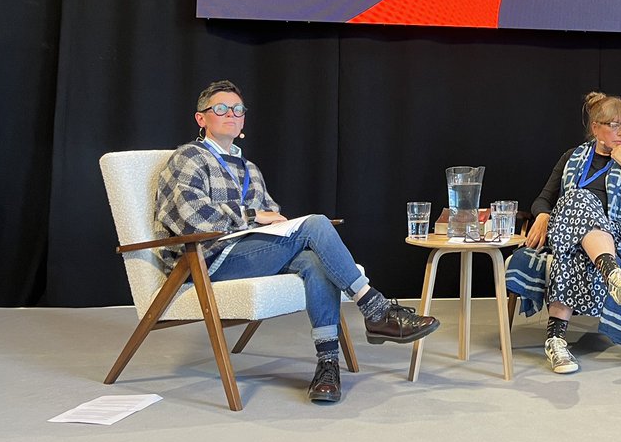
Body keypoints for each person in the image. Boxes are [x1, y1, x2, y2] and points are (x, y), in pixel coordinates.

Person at [153, 79, 439, 404]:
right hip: (206, 261)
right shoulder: (189, 157)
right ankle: (376, 309)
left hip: (249, 252)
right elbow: (188, 216)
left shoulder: (250, 169)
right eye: (220, 109)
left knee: (314, 261)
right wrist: (252, 216)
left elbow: (272, 213)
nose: (231, 114)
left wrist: (271, 220)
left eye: (237, 109)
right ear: (201, 118)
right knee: (314, 224)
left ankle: (328, 363)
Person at [506, 92, 621, 373]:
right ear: (595, 128)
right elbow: (544, 198)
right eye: (615, 125)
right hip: (566, 230)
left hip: (613, 235)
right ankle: (612, 274)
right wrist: (542, 215)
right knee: (577, 199)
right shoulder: (572, 157)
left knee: (572, 244)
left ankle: (555, 340)